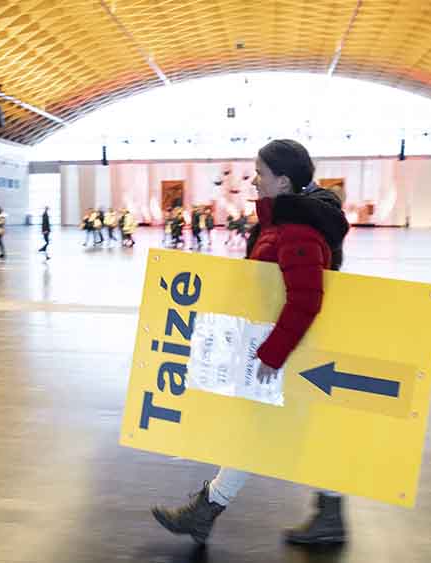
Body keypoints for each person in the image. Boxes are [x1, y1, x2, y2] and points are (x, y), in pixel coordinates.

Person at [151, 139, 350, 546]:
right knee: (278, 430)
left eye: (260, 173)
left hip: (284, 350)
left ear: (283, 180)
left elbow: (306, 299)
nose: (254, 181)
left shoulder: (298, 231)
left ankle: (207, 510)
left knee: (265, 430)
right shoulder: (282, 225)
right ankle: (325, 513)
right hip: (276, 344)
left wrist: (272, 354)